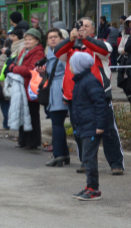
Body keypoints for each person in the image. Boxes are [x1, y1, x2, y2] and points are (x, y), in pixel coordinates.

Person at [54, 17, 125, 175]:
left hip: (99, 95)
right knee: (80, 131)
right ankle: (86, 162)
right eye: (79, 26)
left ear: (93, 30)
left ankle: (116, 163)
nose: (82, 29)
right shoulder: (70, 47)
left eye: (86, 26)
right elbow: (57, 52)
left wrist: (86, 39)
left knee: (108, 131)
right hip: (75, 97)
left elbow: (106, 51)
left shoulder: (100, 43)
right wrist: (69, 39)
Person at [69, 52, 108, 201]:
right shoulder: (80, 81)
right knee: (87, 157)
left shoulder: (89, 81)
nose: (70, 68)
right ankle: (89, 186)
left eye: (72, 65)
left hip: (92, 126)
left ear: (78, 66)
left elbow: (100, 104)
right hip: (85, 125)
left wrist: (100, 125)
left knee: (88, 158)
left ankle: (94, 189)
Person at [7, 28, 45, 149]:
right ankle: (23, 140)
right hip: (21, 86)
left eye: (30, 39)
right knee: (22, 113)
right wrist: (14, 66)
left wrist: (13, 68)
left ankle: (33, 141)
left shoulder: (39, 52)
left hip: (31, 87)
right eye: (26, 39)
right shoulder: (24, 50)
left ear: (37, 40)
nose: (27, 42)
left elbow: (30, 69)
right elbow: (16, 63)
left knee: (32, 114)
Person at [43, 28, 70, 166]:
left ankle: (59, 155)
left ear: (61, 38)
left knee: (57, 124)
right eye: (50, 37)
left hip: (61, 88)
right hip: (54, 88)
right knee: (58, 123)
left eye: (55, 37)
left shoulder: (63, 52)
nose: (53, 39)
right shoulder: (49, 52)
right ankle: (64, 154)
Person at [0, 39, 12, 130]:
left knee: (4, 103)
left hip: (3, 84)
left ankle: (7, 122)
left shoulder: (3, 56)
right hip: (12, 84)